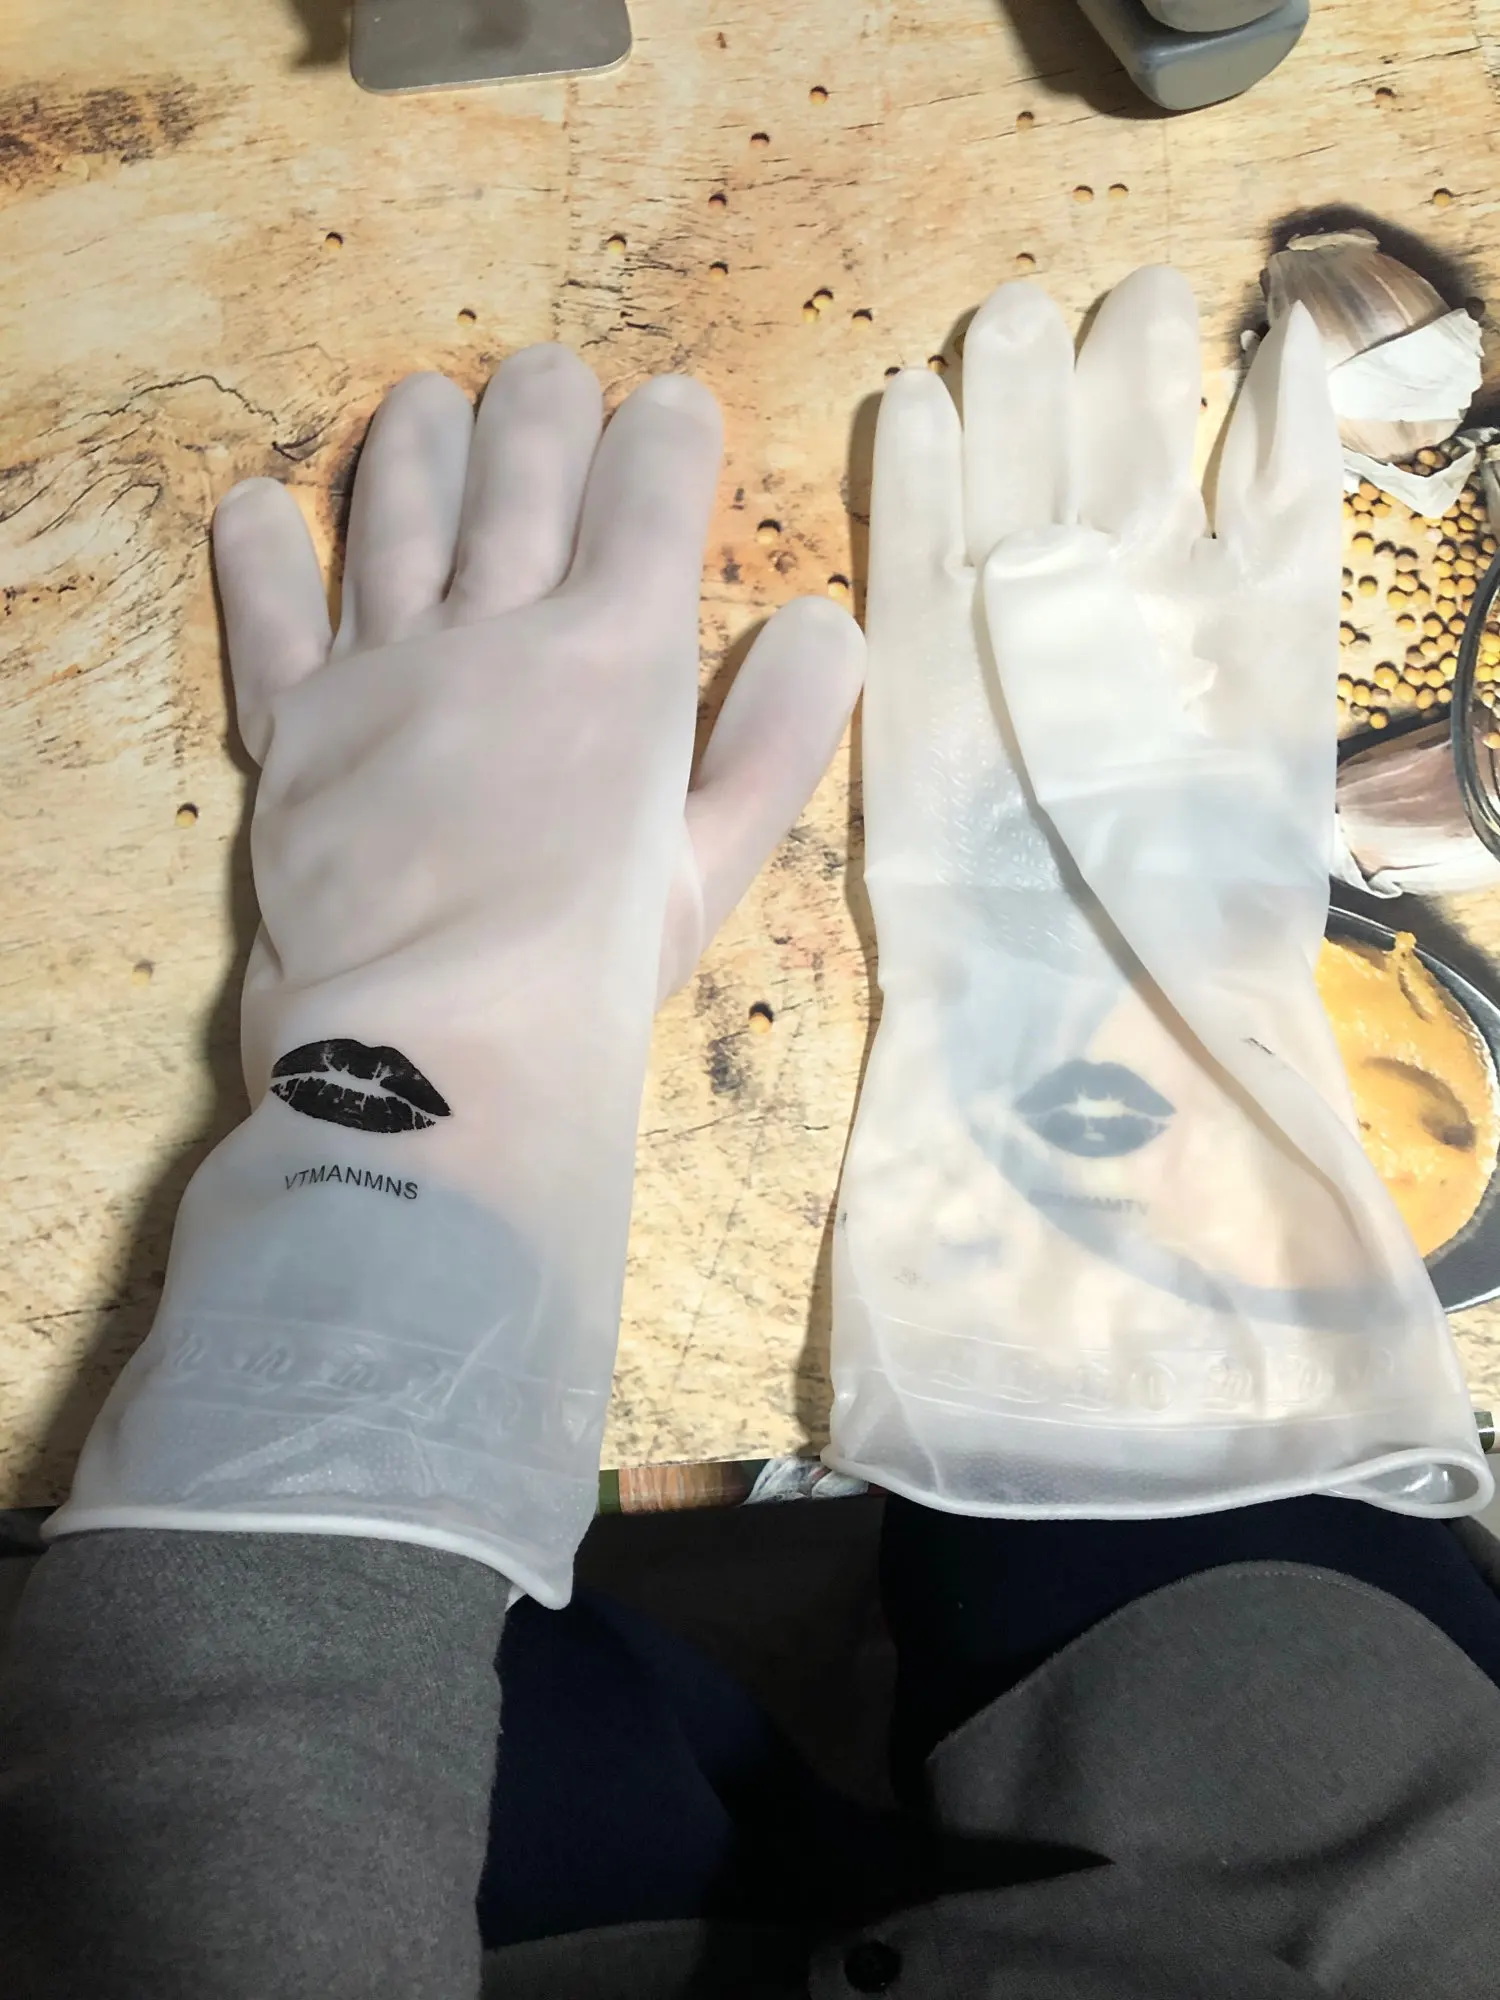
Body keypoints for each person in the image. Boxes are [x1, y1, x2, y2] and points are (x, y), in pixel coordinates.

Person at [3, 274, 1500, 1999]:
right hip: (1339, 1900)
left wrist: (394, 1161)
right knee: (1187, 1491)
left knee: (521, 1735)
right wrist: (1118, 1051)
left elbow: (190, 1869)